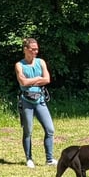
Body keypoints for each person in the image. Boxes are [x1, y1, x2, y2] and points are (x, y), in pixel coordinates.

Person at [15, 38, 56, 168]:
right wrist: (38, 79)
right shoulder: (19, 65)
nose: (36, 52)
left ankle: (49, 159)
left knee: (50, 129)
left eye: (37, 49)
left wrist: (32, 81)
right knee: (28, 131)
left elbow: (47, 79)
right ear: (26, 49)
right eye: (33, 49)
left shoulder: (41, 62)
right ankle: (29, 158)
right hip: (26, 102)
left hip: (40, 100)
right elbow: (23, 83)